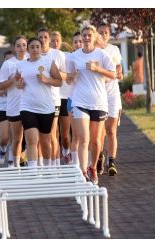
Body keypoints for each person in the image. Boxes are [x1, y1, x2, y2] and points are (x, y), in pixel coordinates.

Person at [66, 25, 115, 185]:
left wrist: (96, 68)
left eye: (89, 36)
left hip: (99, 102)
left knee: (95, 141)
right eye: (84, 35)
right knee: (83, 138)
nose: (86, 38)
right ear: (81, 37)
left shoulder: (102, 54)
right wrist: (71, 75)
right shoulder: (73, 57)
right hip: (80, 102)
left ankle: (92, 167)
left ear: (94, 38)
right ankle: (81, 171)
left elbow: (114, 75)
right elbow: (68, 79)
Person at [16, 37, 62, 168]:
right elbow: (16, 79)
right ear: (27, 49)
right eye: (32, 47)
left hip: (46, 107)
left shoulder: (48, 61)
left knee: (45, 142)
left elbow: (59, 81)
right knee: (31, 139)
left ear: (41, 48)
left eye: (37, 47)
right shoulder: (22, 64)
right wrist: (18, 84)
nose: (35, 49)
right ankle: (32, 172)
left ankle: (47, 167)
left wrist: (47, 80)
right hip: (27, 106)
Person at [97, 23, 124, 176]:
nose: (103, 35)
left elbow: (119, 68)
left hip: (113, 94)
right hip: (99, 94)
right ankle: (100, 156)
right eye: (101, 32)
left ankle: (111, 162)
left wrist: (119, 73)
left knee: (111, 130)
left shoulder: (114, 49)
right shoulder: (93, 51)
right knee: (100, 131)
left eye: (106, 32)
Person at [0, 36, 28, 168]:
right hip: (14, 106)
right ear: (14, 48)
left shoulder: (32, 61)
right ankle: (14, 165)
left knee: (32, 139)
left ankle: (30, 165)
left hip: (31, 105)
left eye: (24, 45)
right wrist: (13, 80)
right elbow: (0, 86)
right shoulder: (8, 64)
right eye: (19, 45)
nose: (22, 48)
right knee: (17, 139)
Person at [37, 28, 66, 166]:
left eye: (45, 37)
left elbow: (67, 76)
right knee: (38, 136)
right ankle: (40, 165)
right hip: (36, 100)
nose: (42, 40)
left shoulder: (58, 55)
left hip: (54, 99)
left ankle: (55, 165)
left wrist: (50, 77)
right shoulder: (32, 55)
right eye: (40, 37)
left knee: (52, 133)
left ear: (49, 39)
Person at [50, 31, 73, 165]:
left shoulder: (66, 56)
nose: (55, 43)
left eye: (57, 40)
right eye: (53, 40)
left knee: (65, 135)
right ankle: (55, 159)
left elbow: (69, 76)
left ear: (61, 41)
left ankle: (66, 151)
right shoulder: (44, 56)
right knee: (54, 132)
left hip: (65, 97)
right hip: (51, 98)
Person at [66, 31, 83, 166]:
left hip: (89, 101)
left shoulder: (93, 56)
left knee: (86, 137)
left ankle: (87, 166)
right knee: (76, 135)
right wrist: (73, 74)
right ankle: (75, 167)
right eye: (75, 42)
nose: (78, 44)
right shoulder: (70, 58)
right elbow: (68, 81)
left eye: (80, 41)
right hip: (73, 100)